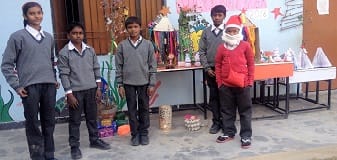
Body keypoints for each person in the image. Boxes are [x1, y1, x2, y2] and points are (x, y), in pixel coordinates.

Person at [1, 2, 59, 160]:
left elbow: (51, 60)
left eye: (39, 13)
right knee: (33, 123)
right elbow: (6, 64)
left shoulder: (49, 38)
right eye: (32, 13)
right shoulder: (17, 37)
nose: (36, 16)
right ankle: (37, 156)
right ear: (25, 16)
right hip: (29, 88)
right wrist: (17, 86)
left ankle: (49, 155)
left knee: (49, 121)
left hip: (49, 86)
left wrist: (53, 79)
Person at [57, 22, 111, 159]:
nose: (78, 36)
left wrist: (98, 87)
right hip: (75, 93)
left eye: (80, 33)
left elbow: (96, 69)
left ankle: (94, 140)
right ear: (68, 35)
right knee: (75, 120)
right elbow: (63, 74)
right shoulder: (64, 53)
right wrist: (69, 94)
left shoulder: (90, 50)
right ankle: (74, 147)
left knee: (92, 118)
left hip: (92, 90)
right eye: (74, 33)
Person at [115, 16, 156, 146]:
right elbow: (119, 67)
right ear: (126, 29)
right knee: (131, 110)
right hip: (128, 84)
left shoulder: (148, 45)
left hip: (144, 83)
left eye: (135, 27)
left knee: (144, 108)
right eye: (130, 27)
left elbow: (152, 66)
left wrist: (152, 83)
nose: (133, 30)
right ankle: (135, 134)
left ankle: (144, 133)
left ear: (140, 28)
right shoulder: (122, 46)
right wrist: (120, 84)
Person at [214, 15, 255, 149]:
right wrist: (220, 83)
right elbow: (218, 65)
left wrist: (249, 82)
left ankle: (246, 135)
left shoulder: (245, 46)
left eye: (235, 31)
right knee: (227, 110)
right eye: (230, 31)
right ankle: (229, 132)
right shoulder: (221, 48)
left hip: (243, 85)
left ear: (239, 31)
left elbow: (251, 64)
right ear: (226, 31)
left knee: (245, 111)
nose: (232, 33)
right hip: (226, 86)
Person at [198, 5, 227, 134]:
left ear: (224, 16)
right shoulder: (206, 32)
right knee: (214, 97)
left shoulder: (229, 31)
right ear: (211, 16)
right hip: (211, 70)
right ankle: (216, 122)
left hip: (226, 70)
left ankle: (226, 122)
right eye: (215, 15)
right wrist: (207, 68)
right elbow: (202, 51)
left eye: (219, 15)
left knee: (226, 97)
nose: (217, 17)